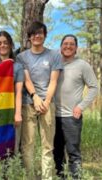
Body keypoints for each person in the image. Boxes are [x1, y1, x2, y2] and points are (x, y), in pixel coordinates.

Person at [16, 21, 63, 179]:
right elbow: (26, 80)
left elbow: (54, 81)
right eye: (33, 33)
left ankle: (47, 177)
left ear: (44, 35)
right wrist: (35, 97)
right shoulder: (21, 57)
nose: (37, 36)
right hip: (28, 104)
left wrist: (46, 101)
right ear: (29, 37)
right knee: (27, 145)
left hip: (48, 104)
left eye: (40, 33)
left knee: (47, 146)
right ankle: (29, 176)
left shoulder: (54, 55)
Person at [53, 34, 98, 179]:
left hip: (72, 117)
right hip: (53, 116)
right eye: (65, 43)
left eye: (72, 44)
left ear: (76, 48)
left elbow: (94, 87)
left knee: (73, 153)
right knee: (57, 153)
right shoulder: (55, 63)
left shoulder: (83, 65)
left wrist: (81, 106)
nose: (68, 46)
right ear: (61, 47)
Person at [0, 31, 24, 155]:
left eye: (6, 43)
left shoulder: (17, 67)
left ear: (11, 44)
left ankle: (9, 174)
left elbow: (18, 92)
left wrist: (17, 113)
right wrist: (4, 66)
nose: (2, 45)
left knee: (11, 145)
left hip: (10, 111)